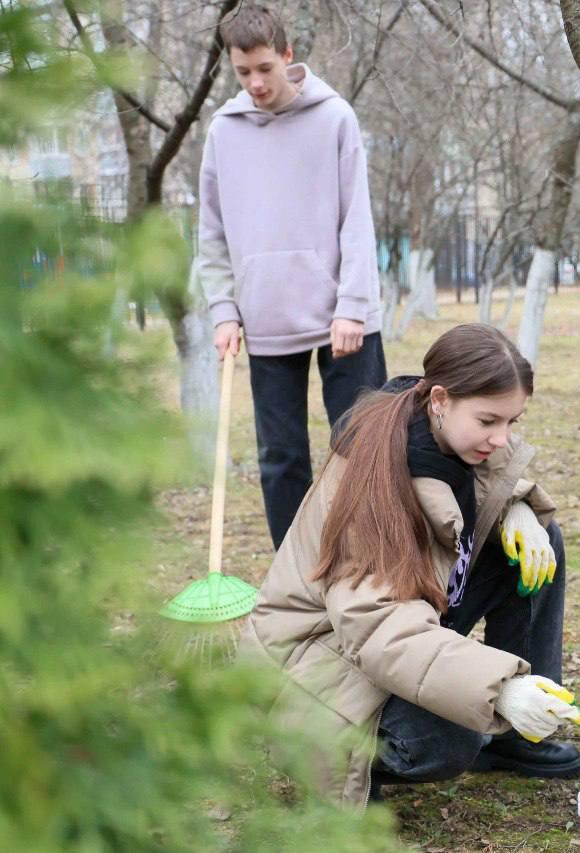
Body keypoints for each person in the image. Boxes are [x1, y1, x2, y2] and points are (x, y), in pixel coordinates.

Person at [239, 324, 580, 807]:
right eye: (489, 421)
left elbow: (487, 484)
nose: (502, 439)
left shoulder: (435, 429)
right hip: (320, 662)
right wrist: (500, 691)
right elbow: (377, 626)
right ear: (440, 399)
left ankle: (522, 732)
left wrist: (519, 509)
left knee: (540, 543)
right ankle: (358, 755)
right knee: (449, 736)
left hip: (398, 621)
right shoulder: (373, 482)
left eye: (513, 421)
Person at [198, 4, 386, 549]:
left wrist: (353, 304)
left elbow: (357, 219)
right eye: (242, 73)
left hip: (343, 319)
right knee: (280, 459)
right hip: (266, 319)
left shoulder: (334, 118)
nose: (255, 83)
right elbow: (210, 231)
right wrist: (223, 310)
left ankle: (368, 566)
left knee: (361, 452)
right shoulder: (223, 132)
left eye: (263, 68)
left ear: (286, 55)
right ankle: (294, 580)